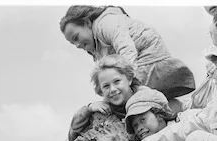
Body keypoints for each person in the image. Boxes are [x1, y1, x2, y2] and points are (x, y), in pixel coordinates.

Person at [60, 5, 195, 107]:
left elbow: (127, 49)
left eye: (76, 37)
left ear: (87, 23)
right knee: (149, 102)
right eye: (73, 43)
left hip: (149, 59)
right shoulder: (97, 48)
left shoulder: (105, 23)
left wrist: (123, 84)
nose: (77, 45)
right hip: (139, 65)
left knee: (122, 101)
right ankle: (181, 109)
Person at [68, 54, 141, 141]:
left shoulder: (145, 98)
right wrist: (88, 109)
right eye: (106, 86)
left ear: (129, 79)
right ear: (101, 91)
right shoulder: (102, 110)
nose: (113, 89)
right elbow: (74, 131)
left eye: (117, 81)